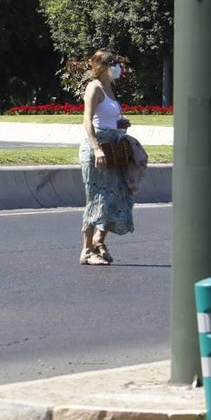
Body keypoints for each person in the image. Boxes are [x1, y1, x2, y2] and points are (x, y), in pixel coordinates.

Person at [78, 48, 134, 266]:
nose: (118, 68)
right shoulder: (94, 87)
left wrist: (120, 124)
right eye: (114, 64)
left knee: (117, 196)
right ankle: (86, 251)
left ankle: (99, 241)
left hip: (113, 146)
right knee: (97, 199)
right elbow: (88, 121)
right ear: (102, 67)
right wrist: (96, 148)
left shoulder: (109, 88)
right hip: (98, 148)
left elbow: (107, 119)